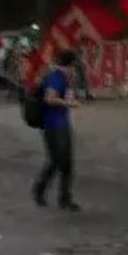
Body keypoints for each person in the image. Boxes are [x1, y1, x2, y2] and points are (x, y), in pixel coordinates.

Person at [32, 50, 80, 211]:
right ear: (70, 65)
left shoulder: (61, 77)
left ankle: (57, 196)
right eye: (74, 66)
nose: (75, 69)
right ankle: (47, 192)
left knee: (61, 162)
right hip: (55, 126)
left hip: (58, 124)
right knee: (59, 162)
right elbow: (49, 98)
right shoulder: (57, 77)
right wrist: (69, 104)